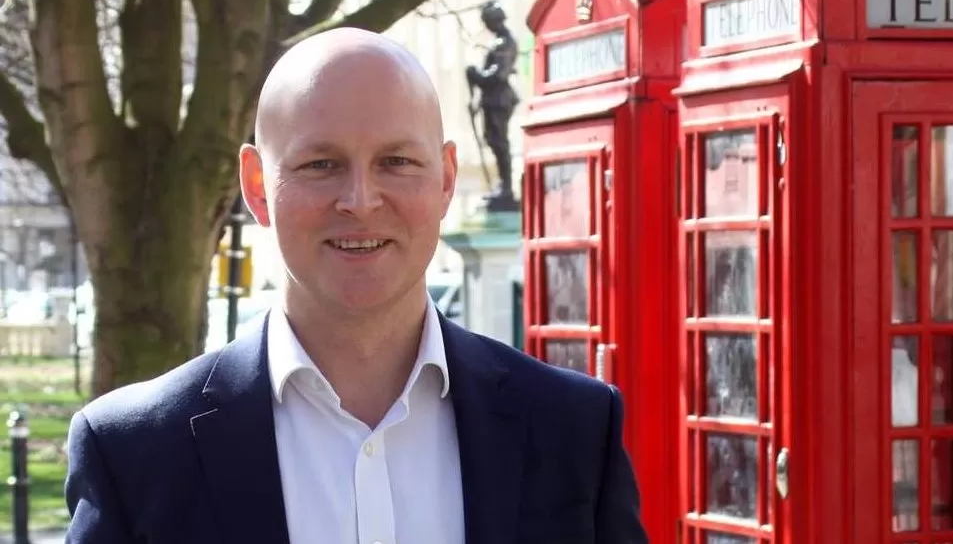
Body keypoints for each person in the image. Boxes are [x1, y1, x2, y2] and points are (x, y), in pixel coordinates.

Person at [64, 28, 647, 544]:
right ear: (258, 185)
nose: (361, 201)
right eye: (321, 164)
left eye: (396, 161)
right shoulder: (134, 451)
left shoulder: (573, 429)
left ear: (445, 180)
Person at [466, 0, 520, 211]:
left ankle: (506, 188)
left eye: (488, 22)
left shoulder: (506, 43)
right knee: (493, 139)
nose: (487, 26)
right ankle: (502, 185)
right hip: (491, 101)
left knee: (499, 142)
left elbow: (497, 76)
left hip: (500, 101)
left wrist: (474, 74)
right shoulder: (499, 41)